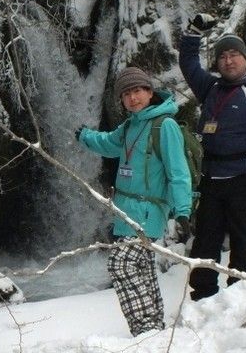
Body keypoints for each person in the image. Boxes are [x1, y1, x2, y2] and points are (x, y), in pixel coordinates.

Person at [76, 67, 192, 336]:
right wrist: (85, 136)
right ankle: (154, 325)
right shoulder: (130, 126)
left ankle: (144, 327)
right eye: (126, 94)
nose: (133, 98)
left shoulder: (166, 126)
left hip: (149, 211)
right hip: (125, 211)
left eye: (138, 91)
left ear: (150, 92)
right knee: (141, 267)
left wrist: (183, 210)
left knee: (121, 264)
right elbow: (109, 144)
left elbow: (178, 172)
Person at [180, 15, 246, 301]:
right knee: (205, 242)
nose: (228, 60)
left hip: (245, 179)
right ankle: (203, 297)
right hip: (212, 179)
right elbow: (188, 64)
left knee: (245, 241)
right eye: (223, 56)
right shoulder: (211, 89)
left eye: (234, 54)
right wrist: (193, 34)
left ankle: (239, 299)